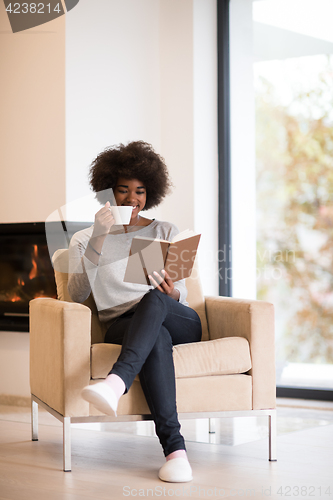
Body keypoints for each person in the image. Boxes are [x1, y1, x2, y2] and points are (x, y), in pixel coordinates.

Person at [67, 141, 202, 482]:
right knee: (155, 335)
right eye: (123, 190)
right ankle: (176, 452)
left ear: (150, 193)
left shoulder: (167, 231)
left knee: (154, 301)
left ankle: (116, 382)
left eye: (140, 191)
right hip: (122, 325)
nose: (132, 199)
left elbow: (181, 294)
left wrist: (172, 291)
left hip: (175, 315)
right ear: (108, 192)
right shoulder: (84, 238)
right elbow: (77, 294)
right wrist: (99, 236)